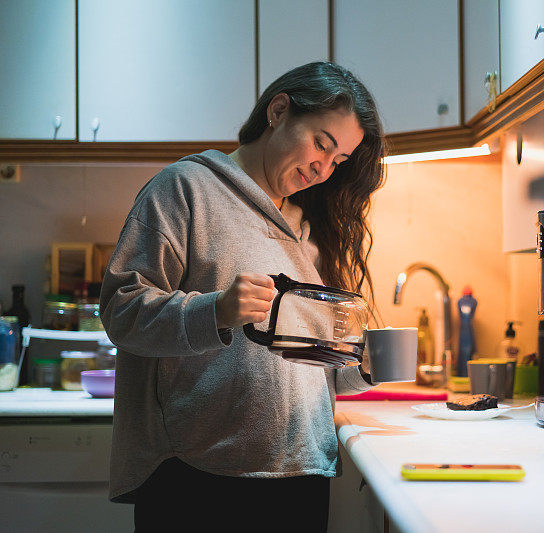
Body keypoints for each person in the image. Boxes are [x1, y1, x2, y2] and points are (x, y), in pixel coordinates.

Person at [99, 62, 385, 531]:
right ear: (278, 110)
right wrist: (217, 311)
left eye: (339, 160)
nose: (324, 167)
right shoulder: (185, 190)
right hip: (196, 478)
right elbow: (120, 309)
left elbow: (318, 368)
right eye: (321, 143)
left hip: (301, 470)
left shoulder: (311, 230)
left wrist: (365, 365)